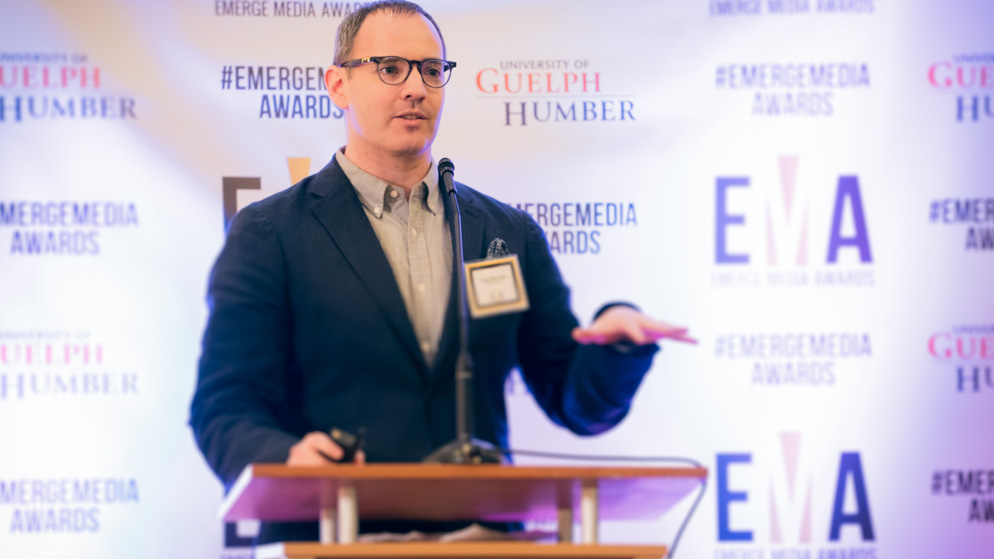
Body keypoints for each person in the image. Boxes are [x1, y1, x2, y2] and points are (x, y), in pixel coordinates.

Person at [189, 0, 695, 544]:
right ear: (338, 85)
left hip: (484, 544)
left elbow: (575, 401)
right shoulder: (273, 232)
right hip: (337, 539)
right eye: (390, 68)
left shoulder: (506, 232)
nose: (415, 88)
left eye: (431, 70)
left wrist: (616, 346)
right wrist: (288, 458)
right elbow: (224, 408)